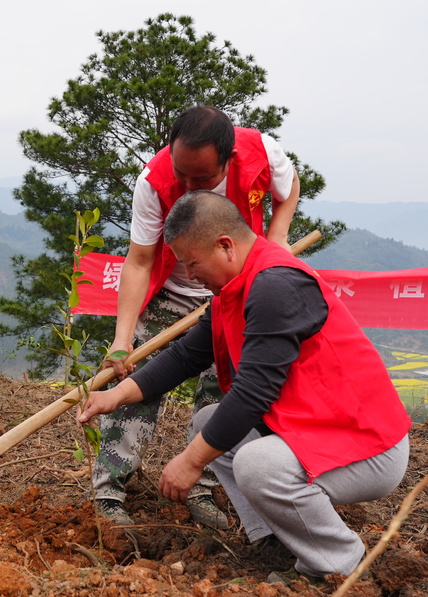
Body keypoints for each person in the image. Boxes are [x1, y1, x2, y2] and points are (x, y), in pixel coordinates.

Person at [78, 191, 411, 581]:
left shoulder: (274, 286)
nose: (190, 275)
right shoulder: (233, 290)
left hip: (365, 445)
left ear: (225, 247)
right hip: (315, 428)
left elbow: (253, 393)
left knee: (256, 465)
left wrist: (189, 462)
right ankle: (276, 539)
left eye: (192, 263)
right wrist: (115, 396)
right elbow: (185, 357)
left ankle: (337, 563)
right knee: (209, 423)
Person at [95, 105, 302, 529]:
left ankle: (203, 488)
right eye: (182, 173)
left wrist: (277, 239)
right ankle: (109, 491)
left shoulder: (263, 153)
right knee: (136, 381)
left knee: (224, 392)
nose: (187, 186)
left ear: (228, 159)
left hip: (238, 289)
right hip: (172, 291)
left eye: (202, 178)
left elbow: (290, 187)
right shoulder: (153, 181)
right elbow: (138, 261)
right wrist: (123, 337)